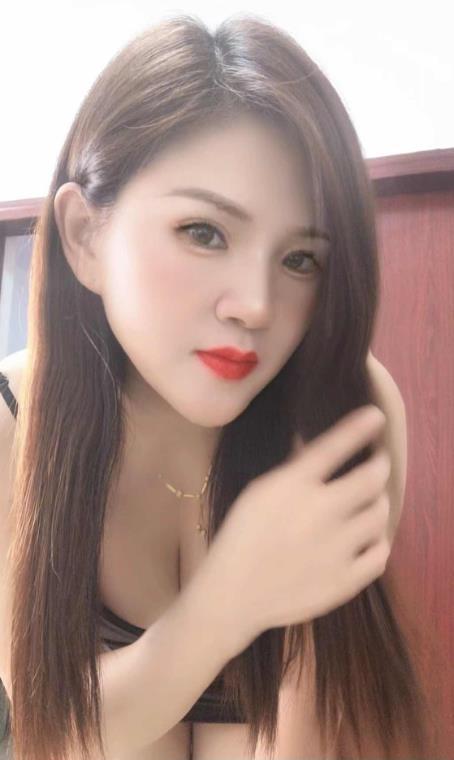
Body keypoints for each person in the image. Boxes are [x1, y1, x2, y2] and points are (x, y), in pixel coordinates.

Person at [0, 11, 433, 760]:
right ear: (85, 236)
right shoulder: (15, 422)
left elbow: (297, 739)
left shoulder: (345, 412)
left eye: (300, 259)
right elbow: (58, 731)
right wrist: (229, 601)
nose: (257, 306)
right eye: (204, 232)